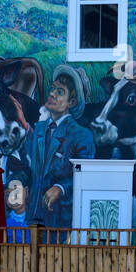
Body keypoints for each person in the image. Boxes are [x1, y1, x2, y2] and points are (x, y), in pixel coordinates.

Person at [22, 65, 95, 230]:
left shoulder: (81, 135)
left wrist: (60, 188)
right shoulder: (39, 129)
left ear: (72, 102)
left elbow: (85, 177)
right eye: (52, 88)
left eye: (60, 92)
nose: (52, 94)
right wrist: (17, 182)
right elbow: (28, 167)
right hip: (32, 217)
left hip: (61, 221)